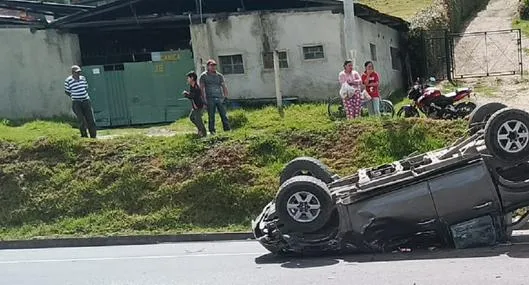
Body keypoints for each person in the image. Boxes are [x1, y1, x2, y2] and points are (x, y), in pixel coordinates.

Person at [199, 59, 231, 135]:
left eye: (215, 65)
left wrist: (225, 96)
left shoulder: (219, 76)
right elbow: (202, 88)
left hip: (219, 97)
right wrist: (203, 99)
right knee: (211, 115)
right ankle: (212, 131)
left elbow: (223, 86)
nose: (213, 67)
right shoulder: (204, 76)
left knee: (223, 114)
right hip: (210, 98)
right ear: (208, 66)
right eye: (212, 65)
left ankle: (227, 129)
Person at [64, 65, 97, 138]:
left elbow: (85, 87)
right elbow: (67, 91)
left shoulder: (83, 78)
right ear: (73, 73)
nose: (79, 74)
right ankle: (84, 136)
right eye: (77, 72)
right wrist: (74, 96)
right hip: (76, 102)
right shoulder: (68, 80)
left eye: (79, 72)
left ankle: (93, 137)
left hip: (86, 100)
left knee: (91, 119)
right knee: (81, 120)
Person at [183, 71, 207, 138]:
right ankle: (200, 129)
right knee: (191, 117)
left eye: (188, 78)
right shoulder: (191, 86)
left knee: (199, 120)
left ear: (192, 78)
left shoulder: (196, 87)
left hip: (198, 106)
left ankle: (204, 134)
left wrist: (186, 94)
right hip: (195, 106)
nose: (187, 79)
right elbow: (192, 96)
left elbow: (193, 96)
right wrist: (188, 94)